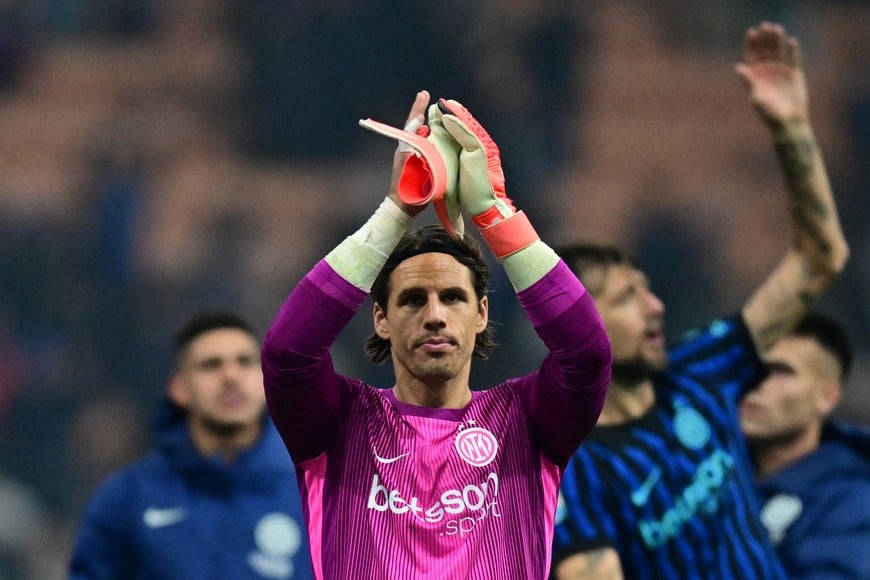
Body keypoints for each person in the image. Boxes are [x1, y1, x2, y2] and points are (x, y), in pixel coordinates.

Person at [261, 91, 612, 579]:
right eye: (411, 300)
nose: (434, 315)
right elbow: (287, 354)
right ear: (380, 319)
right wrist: (394, 212)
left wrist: (494, 213)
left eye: (453, 297)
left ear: (482, 314)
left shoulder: (528, 421)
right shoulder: (337, 422)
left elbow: (588, 355)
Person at [551, 21, 849, 579]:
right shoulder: (576, 473)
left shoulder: (703, 371)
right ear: (577, 328)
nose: (656, 306)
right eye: (629, 297)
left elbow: (819, 259)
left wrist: (789, 130)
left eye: (648, 289)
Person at [69, 311, 313, 579]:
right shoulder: (128, 497)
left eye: (245, 362)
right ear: (180, 388)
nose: (231, 376)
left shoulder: (315, 496)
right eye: (211, 365)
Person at [740, 312, 870, 579]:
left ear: (827, 397)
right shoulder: (705, 475)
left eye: (781, 371)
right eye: (752, 367)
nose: (757, 383)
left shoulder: (851, 503)